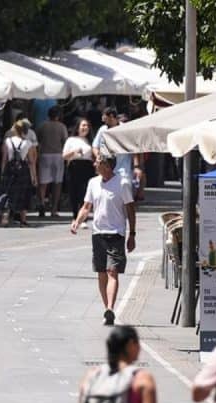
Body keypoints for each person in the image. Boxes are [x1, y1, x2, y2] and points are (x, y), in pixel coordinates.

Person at [70, 154, 137, 326]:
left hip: (116, 233)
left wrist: (132, 234)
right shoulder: (93, 182)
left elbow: (130, 209)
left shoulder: (122, 183)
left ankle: (110, 308)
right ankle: (107, 309)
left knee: (112, 272)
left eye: (98, 162)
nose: (94, 164)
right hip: (98, 233)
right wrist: (77, 221)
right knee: (101, 273)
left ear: (107, 166)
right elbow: (86, 206)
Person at [0, 119, 37, 227]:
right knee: (24, 194)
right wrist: (34, 176)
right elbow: (31, 161)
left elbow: (4, 159)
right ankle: (23, 219)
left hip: (10, 169)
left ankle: (5, 217)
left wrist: (2, 173)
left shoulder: (7, 141)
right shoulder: (28, 143)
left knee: (8, 192)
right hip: (23, 170)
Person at [36, 106, 69, 218]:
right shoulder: (62, 126)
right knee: (57, 183)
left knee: (43, 183)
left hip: (44, 154)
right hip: (58, 155)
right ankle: (54, 209)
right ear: (58, 115)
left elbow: (38, 140)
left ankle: (41, 203)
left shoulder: (42, 126)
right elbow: (65, 141)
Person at [63, 118, 96, 218]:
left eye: (87, 126)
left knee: (85, 192)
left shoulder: (90, 140)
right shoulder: (71, 140)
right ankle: (75, 215)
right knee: (74, 191)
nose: (85, 128)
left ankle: (83, 217)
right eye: (83, 125)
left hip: (87, 167)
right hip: (74, 166)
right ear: (78, 127)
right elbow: (64, 156)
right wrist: (74, 152)